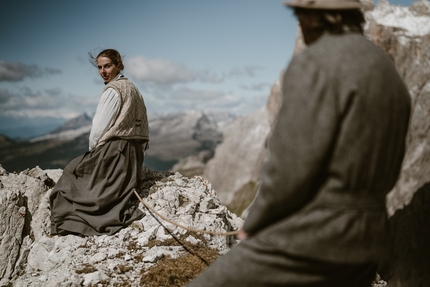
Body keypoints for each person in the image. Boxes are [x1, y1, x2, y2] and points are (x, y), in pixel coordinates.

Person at [187, 0, 411, 286]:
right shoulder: (388, 71)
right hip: (368, 240)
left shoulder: (315, 63)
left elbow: (290, 167)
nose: (300, 26)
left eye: (300, 16)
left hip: (313, 237)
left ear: (316, 17)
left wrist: (255, 222)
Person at [50, 49, 149, 236]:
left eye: (107, 66)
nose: (103, 71)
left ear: (119, 65)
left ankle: (74, 221)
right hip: (133, 155)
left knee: (71, 172)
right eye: (100, 67)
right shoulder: (133, 88)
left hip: (116, 152)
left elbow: (98, 128)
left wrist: (93, 153)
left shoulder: (113, 90)